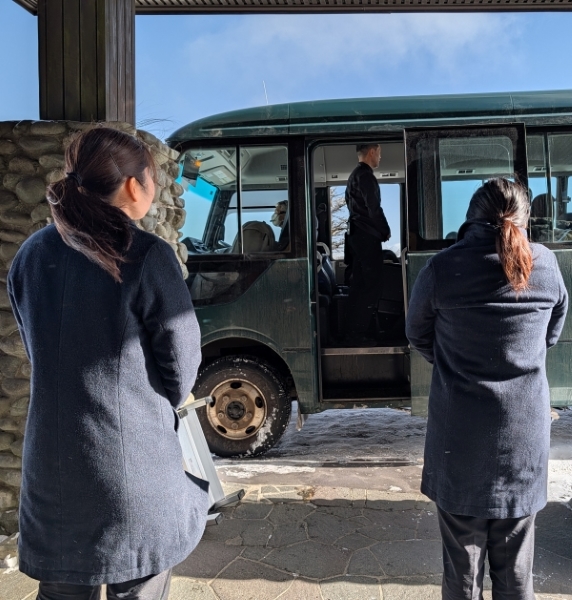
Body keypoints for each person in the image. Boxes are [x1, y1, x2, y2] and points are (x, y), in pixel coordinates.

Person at [7, 127, 210, 600]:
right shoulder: (146, 255)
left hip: (51, 474)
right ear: (133, 186)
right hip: (133, 473)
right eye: (152, 177)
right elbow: (181, 367)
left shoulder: (30, 255)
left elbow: (40, 352)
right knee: (139, 585)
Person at [406, 178, 568, 600]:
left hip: (458, 440)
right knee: (516, 574)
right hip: (523, 441)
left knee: (461, 574)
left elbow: (417, 333)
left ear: (471, 218)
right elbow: (551, 334)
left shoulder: (442, 269)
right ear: (525, 220)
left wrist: (454, 361)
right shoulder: (546, 265)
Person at [345, 143, 391, 345]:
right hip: (367, 237)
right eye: (379, 153)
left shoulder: (353, 176)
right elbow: (374, 209)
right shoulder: (366, 176)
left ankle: (353, 331)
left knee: (359, 285)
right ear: (372, 152)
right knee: (372, 286)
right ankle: (360, 333)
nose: (380, 157)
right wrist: (385, 230)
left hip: (357, 237)